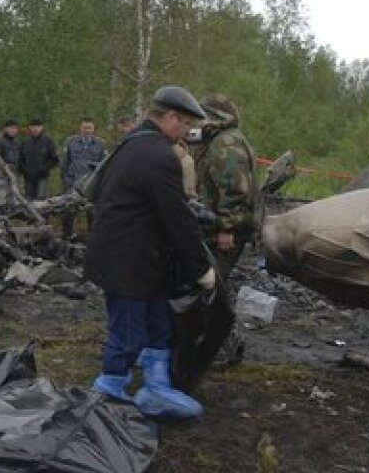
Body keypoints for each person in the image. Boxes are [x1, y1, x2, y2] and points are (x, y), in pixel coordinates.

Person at [85, 85, 216, 419]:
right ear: (170, 118)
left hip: (141, 256)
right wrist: (202, 268)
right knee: (127, 333)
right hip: (127, 260)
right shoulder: (158, 156)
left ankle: (156, 386)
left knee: (159, 322)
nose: (187, 132)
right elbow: (177, 220)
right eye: (185, 124)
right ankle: (109, 393)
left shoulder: (131, 145)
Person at [193, 94, 260, 280]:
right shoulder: (219, 139)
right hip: (218, 222)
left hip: (225, 229)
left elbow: (235, 189)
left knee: (210, 281)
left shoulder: (225, 143)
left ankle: (210, 309)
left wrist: (227, 228)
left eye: (202, 115)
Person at [61, 117, 107, 239]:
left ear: (93, 129)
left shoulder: (100, 144)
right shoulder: (71, 142)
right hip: (73, 182)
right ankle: (67, 236)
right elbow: (65, 163)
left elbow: (103, 164)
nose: (87, 130)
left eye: (89, 128)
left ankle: (93, 237)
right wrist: (66, 180)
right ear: (80, 128)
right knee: (69, 211)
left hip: (90, 184)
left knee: (92, 212)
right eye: (84, 127)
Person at [18, 117, 58, 200]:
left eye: (38, 126)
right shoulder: (25, 143)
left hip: (42, 178)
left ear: (42, 128)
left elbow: (54, 160)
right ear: (30, 128)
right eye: (33, 127)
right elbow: (20, 160)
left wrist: (44, 168)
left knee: (41, 200)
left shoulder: (47, 142)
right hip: (28, 179)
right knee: (28, 201)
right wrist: (25, 170)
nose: (35, 129)